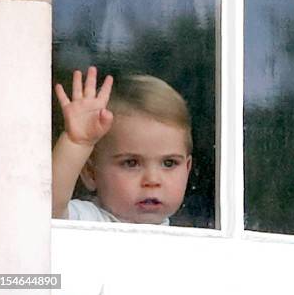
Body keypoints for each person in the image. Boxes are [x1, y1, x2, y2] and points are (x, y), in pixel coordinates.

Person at [52, 66, 192, 225]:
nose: (152, 180)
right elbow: (44, 208)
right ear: (91, 173)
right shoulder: (87, 220)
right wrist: (76, 142)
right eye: (131, 163)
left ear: (187, 169)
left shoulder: (189, 237)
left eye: (169, 163)